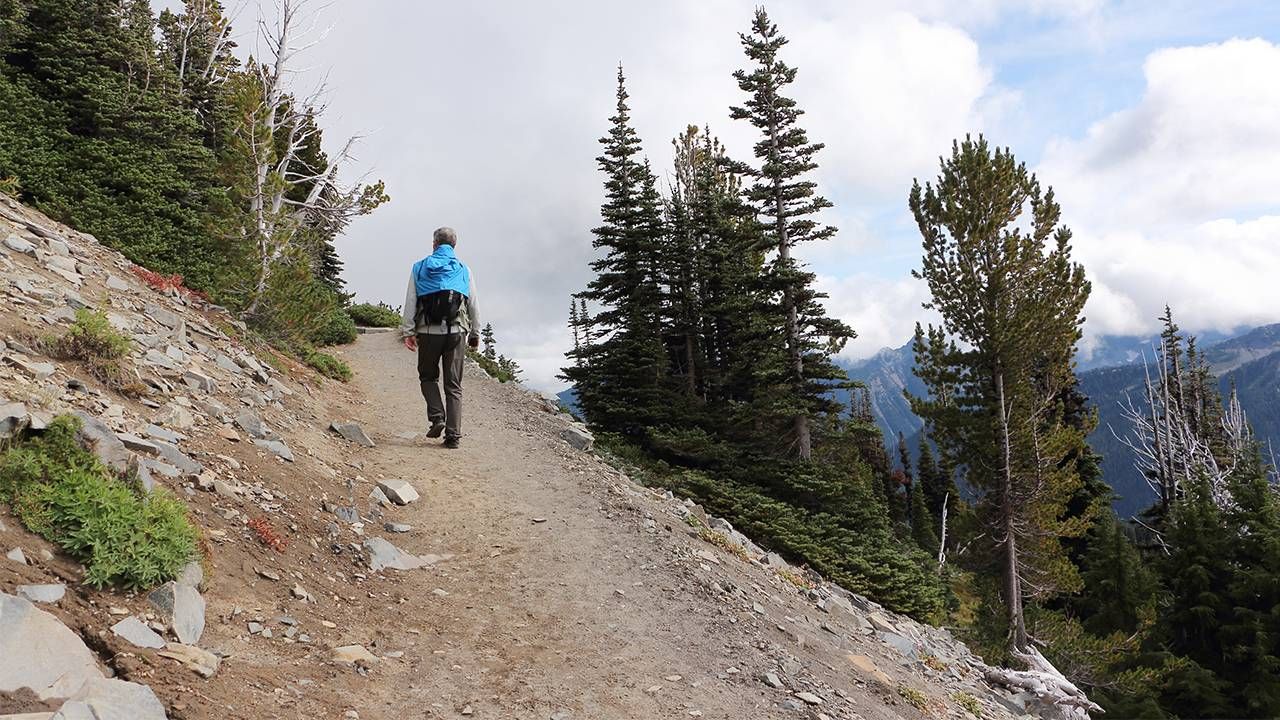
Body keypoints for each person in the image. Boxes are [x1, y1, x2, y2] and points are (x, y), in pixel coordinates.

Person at [400, 227, 480, 448]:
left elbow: (410, 301)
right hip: (456, 332)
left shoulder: (419, 267)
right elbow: (473, 303)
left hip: (428, 331)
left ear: (434, 244)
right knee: (453, 384)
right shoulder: (464, 269)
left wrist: (408, 331)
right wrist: (475, 333)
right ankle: (453, 436)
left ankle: (437, 417)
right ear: (454, 245)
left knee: (428, 377)